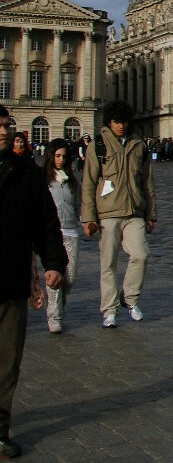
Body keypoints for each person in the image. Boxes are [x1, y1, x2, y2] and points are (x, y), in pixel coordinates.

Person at [0, 104, 68, 458]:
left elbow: (46, 222)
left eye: (5, 125)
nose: (3, 131)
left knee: (7, 361)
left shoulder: (26, 173)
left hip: (10, 279)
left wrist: (53, 262)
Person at [81, 100, 157, 329]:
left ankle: (130, 298)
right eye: (116, 122)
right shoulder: (98, 145)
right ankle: (109, 310)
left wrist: (151, 214)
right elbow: (88, 183)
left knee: (141, 255)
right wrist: (88, 218)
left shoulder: (139, 145)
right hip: (108, 211)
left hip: (134, 210)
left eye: (124, 121)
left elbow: (147, 182)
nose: (121, 126)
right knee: (108, 264)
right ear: (109, 122)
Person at [42, 138, 82, 334]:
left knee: (70, 277)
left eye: (64, 156)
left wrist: (87, 221)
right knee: (55, 275)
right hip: (52, 233)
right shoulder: (44, 181)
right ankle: (54, 316)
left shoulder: (72, 181)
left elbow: (79, 205)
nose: (61, 160)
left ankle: (58, 304)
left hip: (71, 231)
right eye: (57, 156)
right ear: (51, 157)